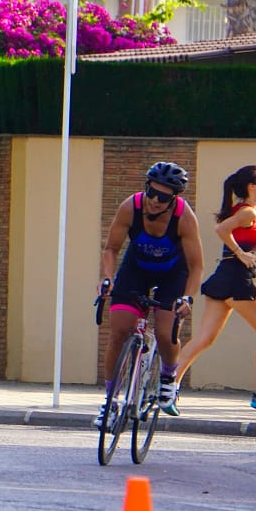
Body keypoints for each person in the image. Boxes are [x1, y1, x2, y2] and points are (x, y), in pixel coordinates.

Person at [172, 165, 256, 411]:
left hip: (223, 279)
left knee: (203, 340)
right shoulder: (247, 212)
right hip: (237, 281)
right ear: (251, 186)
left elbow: (249, 251)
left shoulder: (245, 212)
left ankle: (168, 388)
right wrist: (239, 252)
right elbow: (221, 230)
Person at [96, 161, 204, 427]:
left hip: (172, 274)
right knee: (119, 329)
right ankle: (110, 402)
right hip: (137, 269)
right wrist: (107, 278)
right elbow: (111, 248)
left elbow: (196, 266)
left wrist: (188, 298)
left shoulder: (184, 218)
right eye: (151, 192)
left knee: (167, 334)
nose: (154, 201)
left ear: (173, 198)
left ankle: (168, 378)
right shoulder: (130, 207)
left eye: (163, 197)